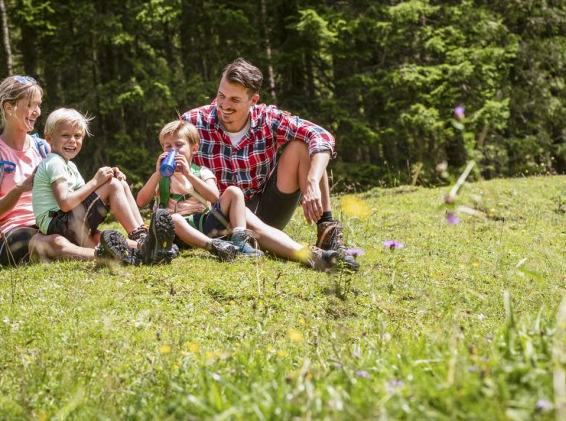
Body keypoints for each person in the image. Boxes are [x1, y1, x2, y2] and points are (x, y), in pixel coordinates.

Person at [182, 57, 357, 264]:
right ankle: (313, 258)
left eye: (234, 100)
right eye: (221, 96)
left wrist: (312, 181)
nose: (224, 105)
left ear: (253, 100)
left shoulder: (268, 118)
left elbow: (320, 135)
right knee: (241, 210)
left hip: (268, 208)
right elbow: (173, 168)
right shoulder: (193, 122)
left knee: (302, 146)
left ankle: (327, 232)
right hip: (221, 217)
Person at [136, 120, 354, 271]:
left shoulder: (200, 172)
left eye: (178, 145)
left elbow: (213, 197)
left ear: (194, 149)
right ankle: (218, 248)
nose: (173, 150)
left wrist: (189, 176)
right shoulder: (162, 177)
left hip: (204, 222)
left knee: (234, 192)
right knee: (173, 218)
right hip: (176, 231)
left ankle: (308, 254)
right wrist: (157, 173)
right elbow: (142, 201)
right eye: (167, 146)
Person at [0, 75, 130, 266]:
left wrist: (104, 181)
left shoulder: (43, 147)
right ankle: (109, 258)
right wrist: (20, 188)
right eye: (31, 105)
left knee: (96, 236)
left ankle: (145, 247)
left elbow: (69, 186)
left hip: (51, 222)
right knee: (57, 243)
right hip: (13, 232)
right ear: (8, 107)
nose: (37, 112)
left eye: (39, 105)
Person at [33, 108, 177, 265]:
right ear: (48, 138)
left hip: (67, 223)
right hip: (58, 224)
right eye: (65, 135)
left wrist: (105, 180)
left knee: (118, 183)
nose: (72, 141)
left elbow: (86, 196)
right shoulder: (54, 162)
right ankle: (142, 239)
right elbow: (66, 203)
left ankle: (146, 245)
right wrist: (97, 181)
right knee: (114, 185)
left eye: (77, 136)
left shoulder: (69, 166)